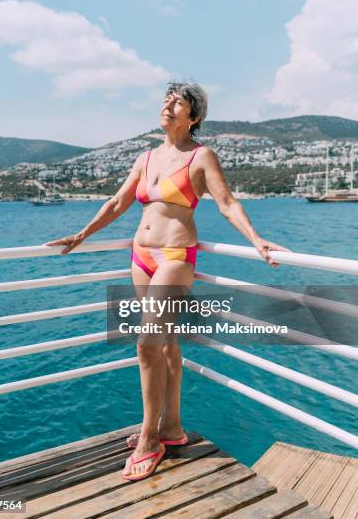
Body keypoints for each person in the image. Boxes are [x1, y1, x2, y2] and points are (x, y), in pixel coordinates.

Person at [44, 81, 291, 481]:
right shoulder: (146, 157)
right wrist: (82, 234)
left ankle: (148, 438)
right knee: (167, 344)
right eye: (166, 99)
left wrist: (258, 241)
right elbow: (118, 202)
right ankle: (172, 428)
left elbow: (227, 203)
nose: (168, 105)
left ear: (193, 117)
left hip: (175, 257)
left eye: (178, 102)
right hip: (140, 258)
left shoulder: (200, 156)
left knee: (146, 344)